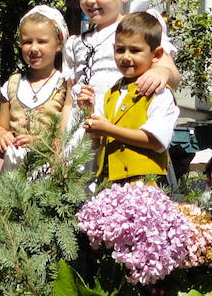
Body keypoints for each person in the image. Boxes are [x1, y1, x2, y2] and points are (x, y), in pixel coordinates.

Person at [64, 0, 180, 107]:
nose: (90, 0)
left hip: (121, 124)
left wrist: (161, 72)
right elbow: (70, 101)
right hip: (80, 126)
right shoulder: (77, 42)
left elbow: (171, 71)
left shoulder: (138, 30)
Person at [76, 12, 178, 183]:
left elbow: (156, 141)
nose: (126, 57)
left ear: (157, 54)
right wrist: (90, 113)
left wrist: (109, 129)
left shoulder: (159, 92)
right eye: (120, 50)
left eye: (135, 50)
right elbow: (98, 140)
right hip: (109, 184)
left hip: (144, 185)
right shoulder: (112, 93)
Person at [0, 5, 72, 171]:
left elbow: (64, 132)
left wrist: (41, 142)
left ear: (58, 44)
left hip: (48, 168)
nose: (34, 48)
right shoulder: (12, 84)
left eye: (42, 41)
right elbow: (2, 125)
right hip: (14, 171)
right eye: (27, 42)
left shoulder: (65, 83)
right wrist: (1, 134)